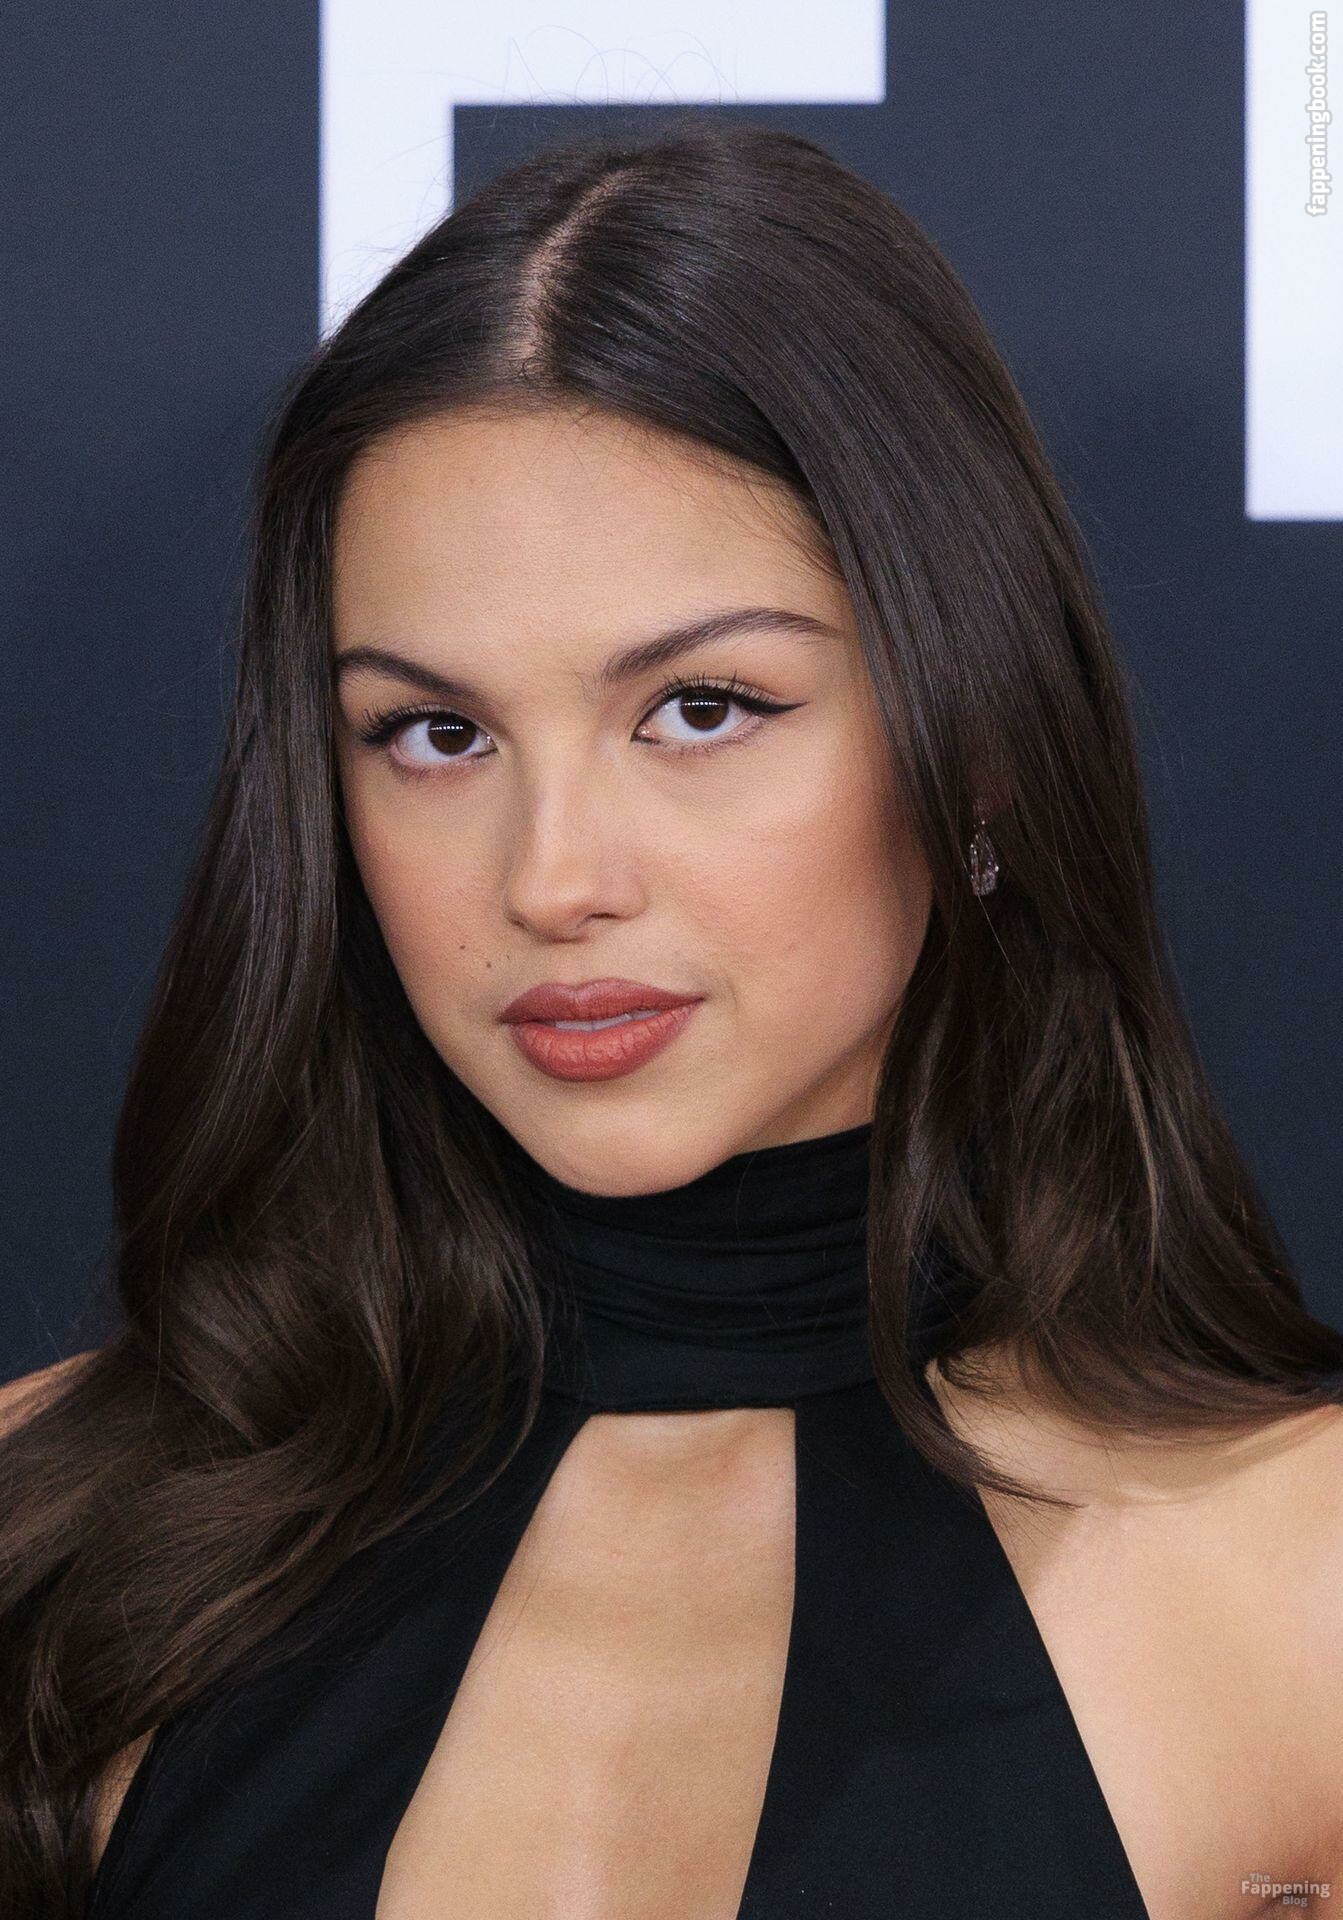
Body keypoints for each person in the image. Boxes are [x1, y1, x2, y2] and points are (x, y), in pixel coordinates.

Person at [1, 114, 1341, 1920]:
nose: (552, 878)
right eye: (436, 734)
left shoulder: (1307, 1585)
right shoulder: (53, 1545)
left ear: (982, 746)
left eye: (702, 708)